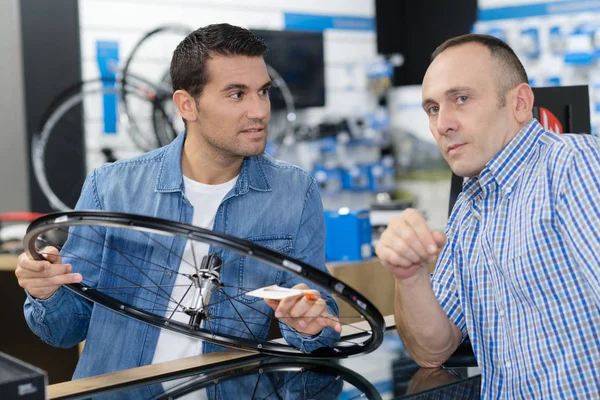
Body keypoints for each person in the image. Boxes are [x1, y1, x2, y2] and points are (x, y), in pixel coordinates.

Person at [15, 23, 341, 380]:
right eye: (236, 95)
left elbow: (322, 324)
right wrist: (45, 293)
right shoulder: (111, 187)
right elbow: (63, 331)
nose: (259, 111)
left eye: (262, 92)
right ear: (187, 104)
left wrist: (309, 323)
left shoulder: (295, 192)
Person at [376, 33, 600, 398]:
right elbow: (433, 351)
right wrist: (410, 276)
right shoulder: (469, 207)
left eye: (461, 99)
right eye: (432, 109)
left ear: (520, 103)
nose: (442, 124)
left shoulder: (573, 168)